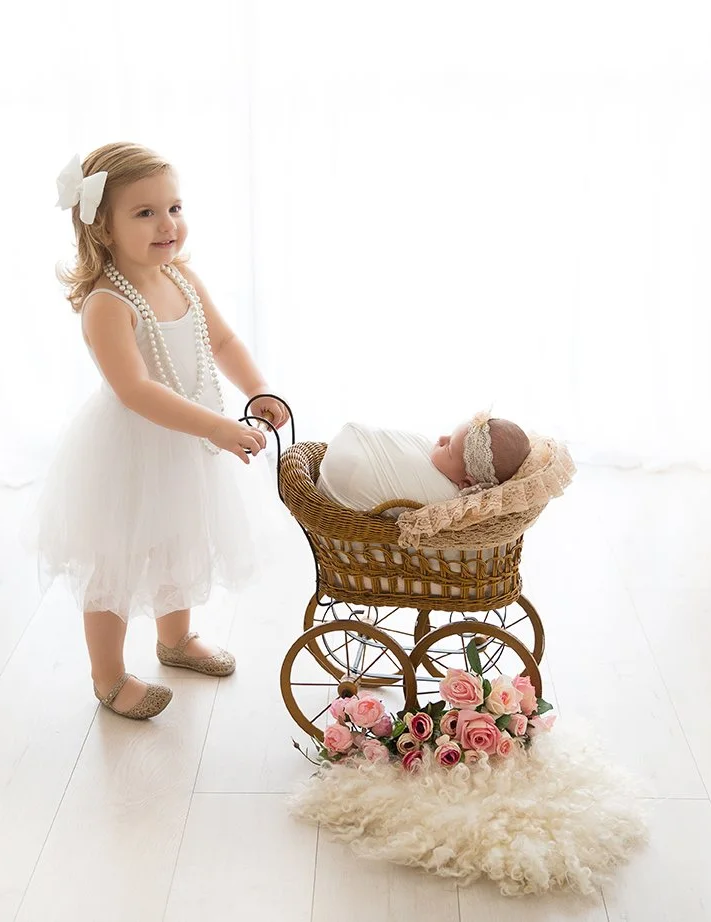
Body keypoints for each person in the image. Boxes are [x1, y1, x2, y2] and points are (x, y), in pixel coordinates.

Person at [36, 142, 287, 720]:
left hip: (189, 441)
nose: (166, 224)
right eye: (144, 212)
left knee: (181, 538)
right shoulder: (106, 304)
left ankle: (175, 641)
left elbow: (221, 342)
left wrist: (258, 389)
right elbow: (137, 391)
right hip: (132, 450)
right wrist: (221, 427)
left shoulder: (182, 278)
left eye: (174, 207)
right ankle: (109, 676)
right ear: (101, 227)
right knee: (117, 560)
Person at [317, 414, 530, 514]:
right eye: (449, 435)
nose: (441, 438)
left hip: (339, 479)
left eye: (448, 448)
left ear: (466, 482)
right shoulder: (446, 466)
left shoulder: (446, 502)